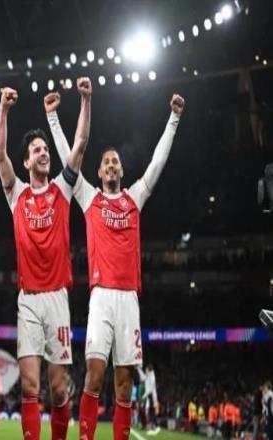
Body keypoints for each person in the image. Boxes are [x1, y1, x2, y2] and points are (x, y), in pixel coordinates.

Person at [45, 92, 184, 440]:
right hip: (102, 298)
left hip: (129, 300)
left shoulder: (134, 198)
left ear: (121, 170)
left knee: (124, 385)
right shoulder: (89, 198)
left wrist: (173, 119)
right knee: (93, 376)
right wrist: (53, 118)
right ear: (98, 171)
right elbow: (69, 158)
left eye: (115, 162)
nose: (110, 165)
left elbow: (157, 163)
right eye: (106, 162)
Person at [0, 77, 91, 440]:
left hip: (57, 298)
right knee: (30, 386)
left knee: (60, 389)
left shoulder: (62, 189)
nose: (43, 153)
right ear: (26, 160)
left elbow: (80, 144)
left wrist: (86, 100)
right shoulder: (16, 194)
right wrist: (3, 109)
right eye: (36, 150)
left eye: (45, 148)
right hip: (29, 301)